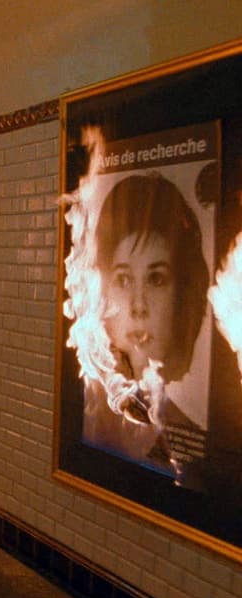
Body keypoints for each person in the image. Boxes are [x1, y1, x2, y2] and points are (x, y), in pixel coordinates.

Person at [83, 173, 209, 484]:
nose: (138, 305)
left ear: (181, 295)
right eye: (123, 279)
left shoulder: (185, 435)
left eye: (156, 279)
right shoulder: (87, 412)